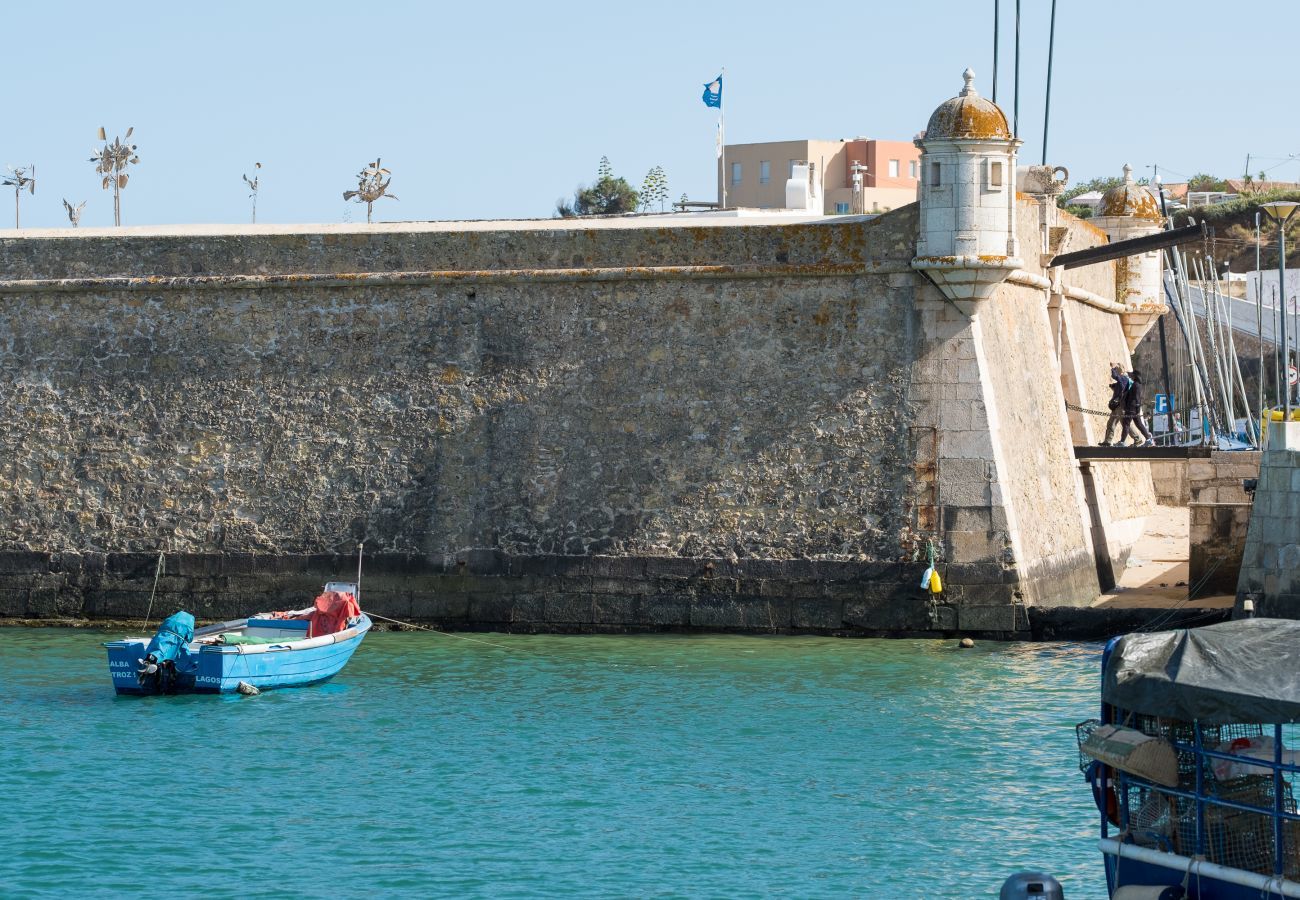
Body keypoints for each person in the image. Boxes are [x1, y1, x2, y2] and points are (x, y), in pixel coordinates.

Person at [1100, 364, 1131, 446]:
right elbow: (1120, 387)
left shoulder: (1124, 378)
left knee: (1125, 425)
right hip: (1116, 406)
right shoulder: (1122, 380)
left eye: (1117, 370)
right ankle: (1107, 441)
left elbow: (1115, 376)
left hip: (1121, 406)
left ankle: (1137, 438)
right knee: (1111, 423)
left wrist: (1113, 368)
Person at [1120, 370, 1153, 446]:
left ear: (1135, 376)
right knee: (1139, 424)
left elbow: (1137, 398)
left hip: (1131, 408)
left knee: (1126, 424)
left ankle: (1122, 442)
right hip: (1134, 408)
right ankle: (1148, 440)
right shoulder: (1137, 384)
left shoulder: (1136, 385)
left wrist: (1137, 408)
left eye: (1132, 375)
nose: (1131, 376)